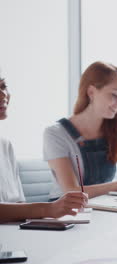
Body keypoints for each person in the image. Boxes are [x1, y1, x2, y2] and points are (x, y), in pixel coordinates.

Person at [43, 62, 117, 200]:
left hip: (103, 207)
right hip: (68, 213)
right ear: (91, 92)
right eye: (115, 95)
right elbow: (71, 191)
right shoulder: (55, 134)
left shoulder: (116, 132)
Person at [0, 75, 88, 223]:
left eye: (3, 86)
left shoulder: (5, 145)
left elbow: (19, 205)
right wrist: (50, 209)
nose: (3, 94)